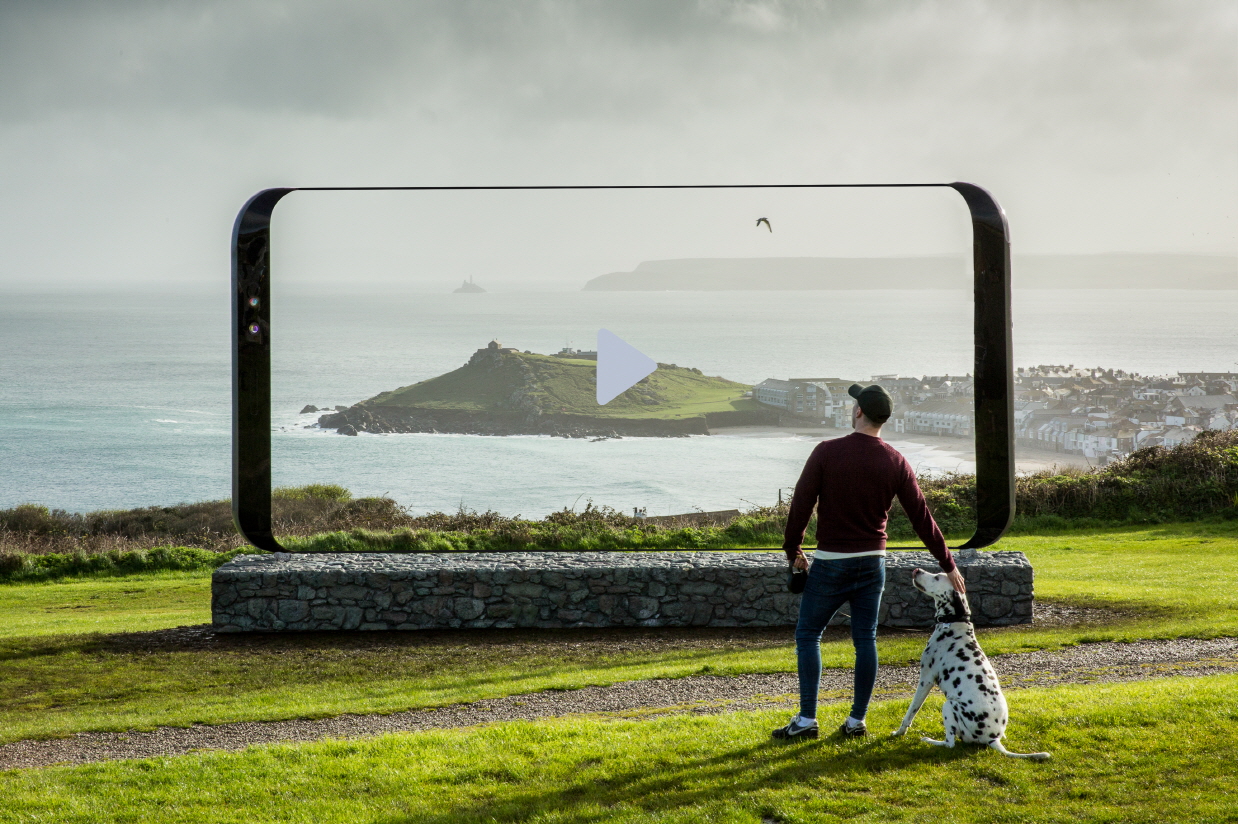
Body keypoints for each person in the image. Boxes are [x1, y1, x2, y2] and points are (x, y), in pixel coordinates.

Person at [772, 383, 966, 740]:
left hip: (831, 561)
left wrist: (793, 551)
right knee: (865, 638)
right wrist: (948, 563)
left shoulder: (827, 452)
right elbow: (922, 517)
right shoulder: (895, 460)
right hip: (873, 562)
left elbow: (801, 505)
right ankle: (856, 721)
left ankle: (806, 720)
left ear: (858, 411)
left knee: (809, 635)